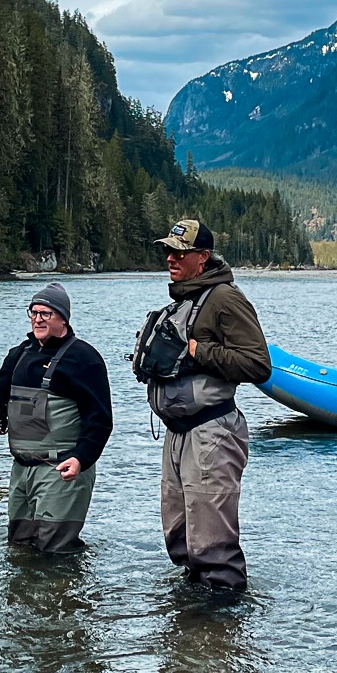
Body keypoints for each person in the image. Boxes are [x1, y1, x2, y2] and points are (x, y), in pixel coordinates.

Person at [134, 219, 270, 594]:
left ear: (203, 257)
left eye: (180, 252)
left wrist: (198, 351)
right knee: (180, 534)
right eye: (168, 250)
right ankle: (192, 622)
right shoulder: (186, 298)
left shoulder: (225, 299)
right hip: (178, 434)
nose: (170, 258)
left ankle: (222, 623)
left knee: (212, 542)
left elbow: (258, 364)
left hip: (211, 432)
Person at [0, 282, 114, 556]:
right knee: (19, 547)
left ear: (63, 318)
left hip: (61, 471)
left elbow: (100, 420)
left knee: (56, 553)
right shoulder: (20, 354)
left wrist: (81, 458)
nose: (38, 319)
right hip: (22, 471)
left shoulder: (84, 359)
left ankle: (66, 595)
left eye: (46, 313)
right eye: (33, 312)